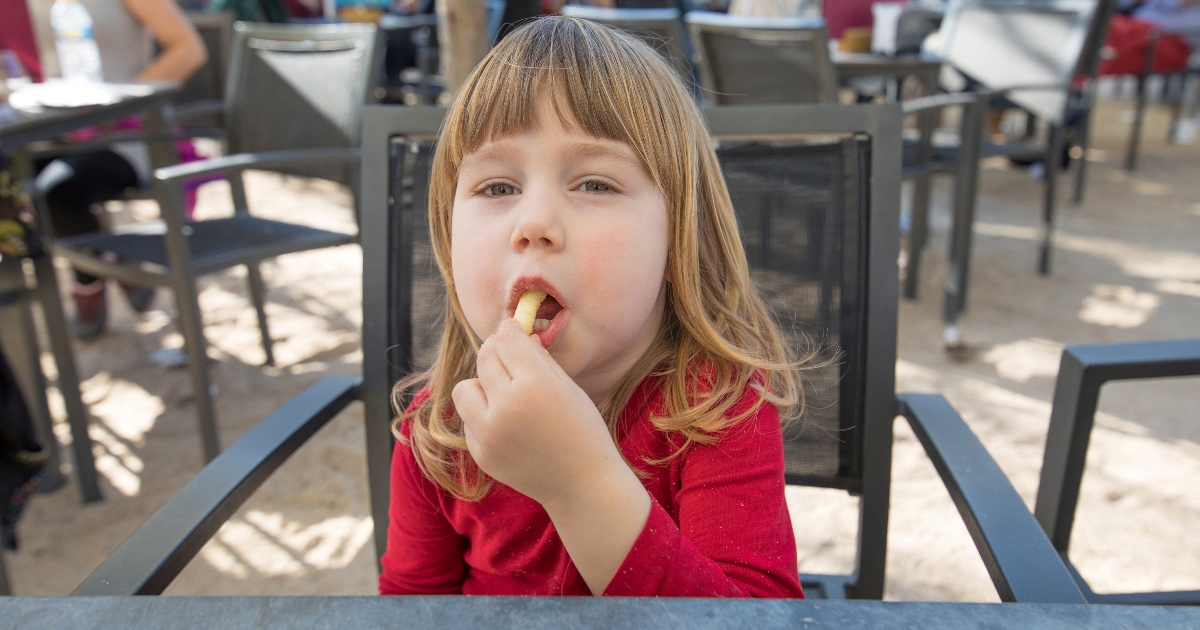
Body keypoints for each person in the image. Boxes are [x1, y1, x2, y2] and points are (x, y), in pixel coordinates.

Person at [378, 16, 808, 598]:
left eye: (595, 185)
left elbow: (755, 616)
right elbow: (411, 607)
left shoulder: (719, 407)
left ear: (679, 235)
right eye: (498, 188)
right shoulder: (438, 431)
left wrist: (577, 483)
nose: (533, 224)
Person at [13, 0, 207, 338]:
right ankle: (116, 265)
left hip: (132, 130)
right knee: (16, 184)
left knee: (56, 190)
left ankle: (88, 282)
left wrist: (115, 108)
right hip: (56, 127)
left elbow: (188, 50)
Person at [1100, 0, 1200, 76]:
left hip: (1174, 42)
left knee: (1110, 34)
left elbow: (1178, 3)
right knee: (1101, 26)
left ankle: (1086, 80)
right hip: (1134, 25)